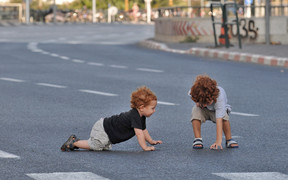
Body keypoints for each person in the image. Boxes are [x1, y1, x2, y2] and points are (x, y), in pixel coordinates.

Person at [61, 86, 162, 152]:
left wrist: (151, 141)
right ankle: (74, 142)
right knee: (96, 146)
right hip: (103, 129)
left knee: (103, 147)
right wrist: (145, 147)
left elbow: (144, 130)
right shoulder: (134, 116)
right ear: (141, 107)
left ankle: (77, 142)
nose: (154, 111)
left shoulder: (141, 117)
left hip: (108, 132)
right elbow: (139, 133)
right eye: (152, 108)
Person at [188, 75, 239, 150]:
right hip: (203, 110)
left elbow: (219, 119)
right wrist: (198, 103)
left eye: (207, 102)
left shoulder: (219, 96)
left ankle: (229, 139)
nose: (205, 104)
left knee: (224, 117)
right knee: (195, 110)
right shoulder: (193, 92)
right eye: (203, 102)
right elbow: (192, 96)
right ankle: (198, 139)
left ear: (213, 96)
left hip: (217, 112)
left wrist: (218, 141)